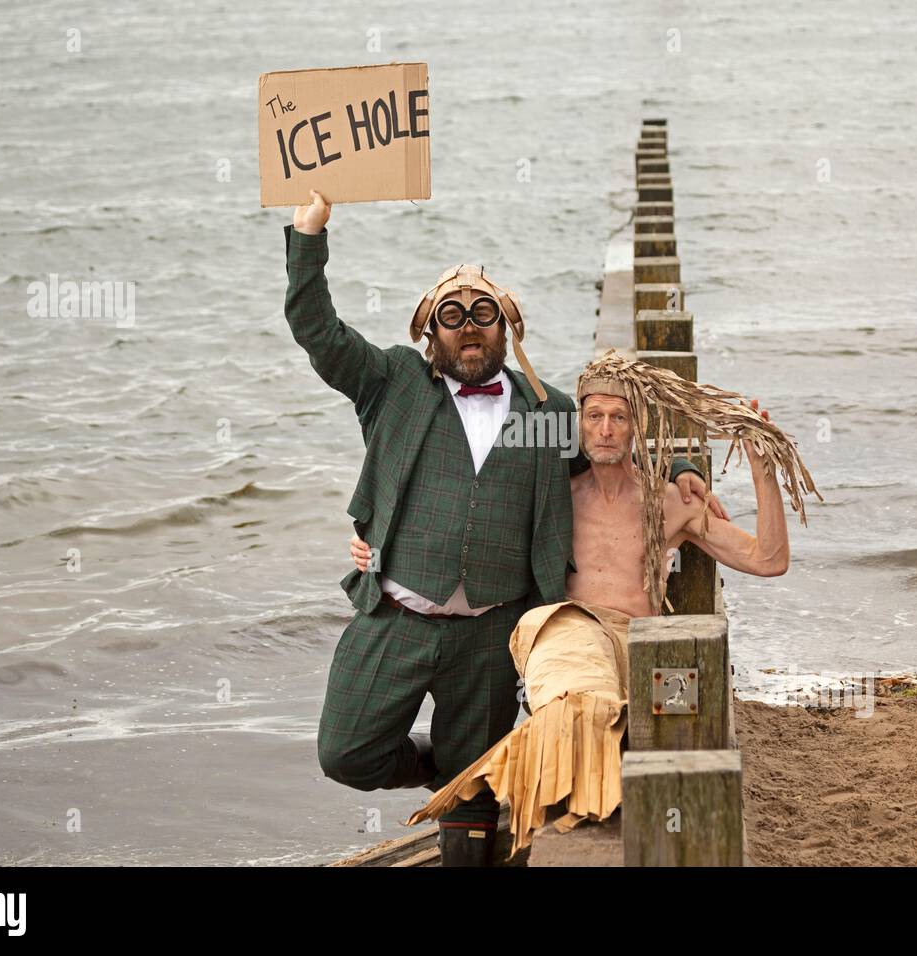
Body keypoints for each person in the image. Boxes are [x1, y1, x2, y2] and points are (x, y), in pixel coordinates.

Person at [282, 193, 718, 866]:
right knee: (346, 752)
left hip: (491, 633)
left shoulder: (546, 412)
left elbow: (614, 449)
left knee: (477, 794)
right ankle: (438, 768)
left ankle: (477, 808)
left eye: (483, 314)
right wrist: (309, 232)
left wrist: (684, 464)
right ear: (431, 331)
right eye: (452, 316)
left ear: (506, 327)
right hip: (395, 615)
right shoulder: (392, 384)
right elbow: (318, 330)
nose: (469, 327)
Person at [350, 354, 819, 857]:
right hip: (570, 631)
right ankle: (520, 780)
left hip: (643, 643)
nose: (606, 429)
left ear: (637, 425)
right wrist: (377, 547)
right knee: (579, 703)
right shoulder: (555, 495)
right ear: (576, 424)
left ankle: (518, 775)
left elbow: (768, 560)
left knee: (672, 728)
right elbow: (460, 511)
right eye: (593, 416)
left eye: (620, 417)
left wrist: (762, 472)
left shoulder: (670, 501)